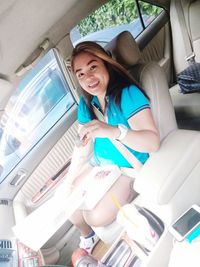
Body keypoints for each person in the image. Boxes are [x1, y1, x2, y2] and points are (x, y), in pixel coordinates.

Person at [66, 41, 160, 253]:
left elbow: (152, 142)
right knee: (69, 206)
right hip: (101, 170)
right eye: (80, 74)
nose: (88, 78)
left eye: (93, 67)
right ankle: (87, 237)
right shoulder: (86, 104)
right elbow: (82, 146)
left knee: (93, 216)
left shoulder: (127, 94)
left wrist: (115, 131)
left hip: (128, 169)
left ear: (106, 63)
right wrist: (69, 179)